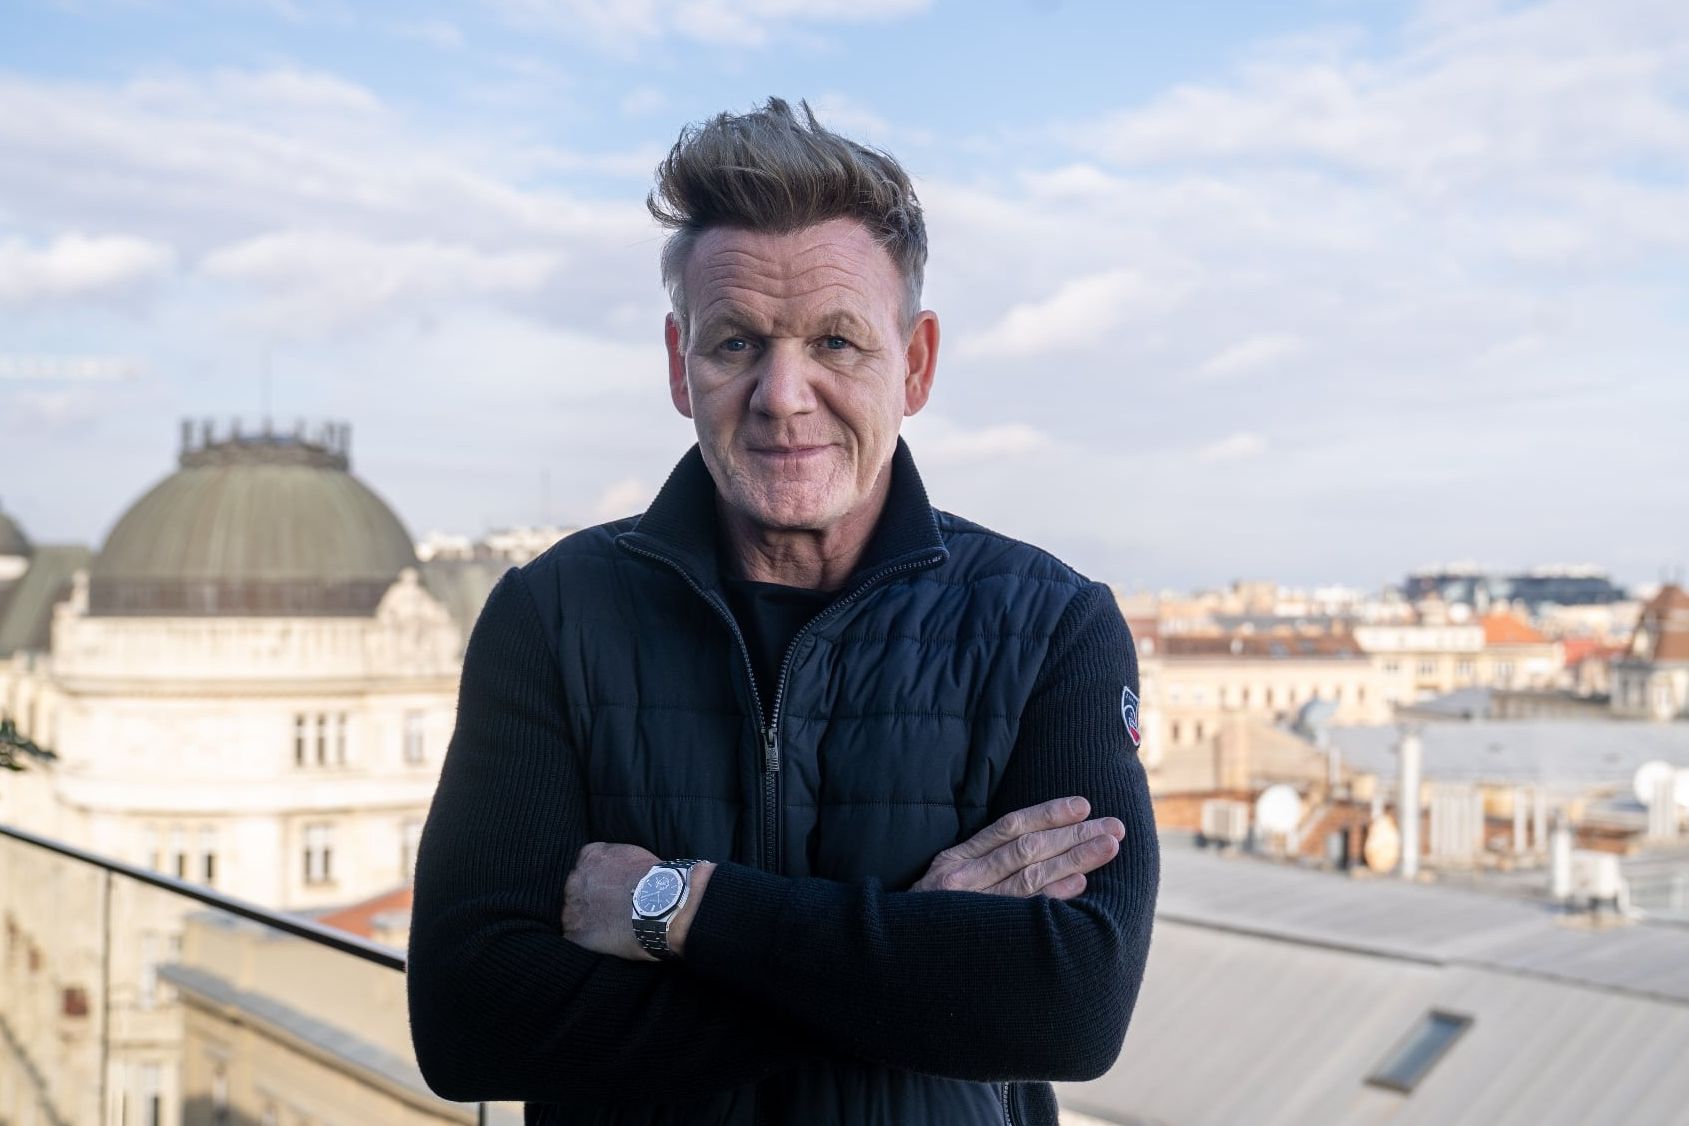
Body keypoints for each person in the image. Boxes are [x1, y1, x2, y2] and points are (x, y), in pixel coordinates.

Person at [407, 97, 1159, 1126]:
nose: (782, 394)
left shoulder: (1052, 627)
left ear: (916, 364)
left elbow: (1073, 1008)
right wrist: (916, 948)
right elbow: (469, 1022)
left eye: (837, 342)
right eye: (735, 344)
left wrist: (680, 906)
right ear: (679, 365)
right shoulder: (552, 616)